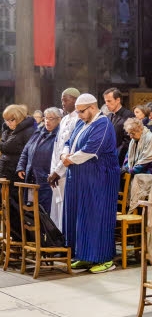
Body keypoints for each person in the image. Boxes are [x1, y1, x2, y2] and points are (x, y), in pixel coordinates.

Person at [62, 93, 120, 274]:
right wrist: (64, 155)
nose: (78, 115)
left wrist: (69, 160)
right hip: (80, 177)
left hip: (99, 179)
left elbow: (90, 150)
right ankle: (84, 255)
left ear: (93, 108)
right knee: (80, 217)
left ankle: (104, 259)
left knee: (97, 217)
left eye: (81, 111)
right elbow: (68, 142)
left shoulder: (103, 124)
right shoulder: (81, 122)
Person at [16, 107, 62, 215]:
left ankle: (45, 232)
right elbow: (26, 151)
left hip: (47, 180)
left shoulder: (60, 135)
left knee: (45, 212)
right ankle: (36, 232)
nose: (47, 121)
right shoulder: (38, 132)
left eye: (51, 118)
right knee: (31, 212)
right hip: (31, 179)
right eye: (46, 118)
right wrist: (21, 167)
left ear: (59, 119)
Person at [48, 88, 80, 231]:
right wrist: (53, 170)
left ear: (75, 100)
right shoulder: (65, 119)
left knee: (65, 208)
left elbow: (71, 149)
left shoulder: (78, 120)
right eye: (62, 99)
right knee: (56, 207)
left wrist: (59, 171)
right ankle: (56, 240)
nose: (62, 103)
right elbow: (57, 147)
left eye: (65, 99)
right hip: (57, 171)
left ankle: (64, 240)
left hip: (68, 172)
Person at [0, 105, 37, 183]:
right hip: (4, 170)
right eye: (6, 120)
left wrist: (21, 168)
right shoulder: (7, 130)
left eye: (11, 120)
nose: (7, 123)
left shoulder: (29, 131)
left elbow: (29, 153)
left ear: (19, 118)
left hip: (17, 173)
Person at [103, 87, 133, 166]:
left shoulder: (129, 115)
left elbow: (128, 140)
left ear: (118, 100)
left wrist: (115, 156)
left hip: (120, 159)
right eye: (105, 101)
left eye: (109, 101)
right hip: (107, 158)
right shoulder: (108, 116)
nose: (106, 104)